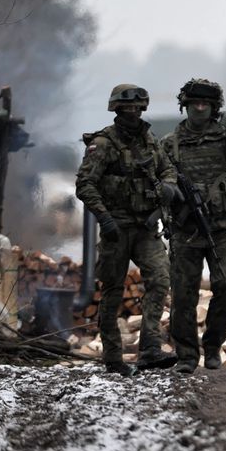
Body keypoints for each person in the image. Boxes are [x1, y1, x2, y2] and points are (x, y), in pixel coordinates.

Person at [75, 84, 180, 376]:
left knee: (160, 279)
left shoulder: (150, 140)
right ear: (117, 110)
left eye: (137, 108)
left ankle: (149, 348)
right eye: (127, 108)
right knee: (112, 291)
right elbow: (85, 184)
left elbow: (167, 169)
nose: (133, 113)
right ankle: (113, 358)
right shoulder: (104, 143)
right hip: (116, 228)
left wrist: (168, 187)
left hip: (146, 225)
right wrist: (105, 219)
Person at [160, 78, 226, 372]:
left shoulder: (224, 137)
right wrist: (171, 195)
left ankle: (213, 345)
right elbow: (160, 180)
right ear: (185, 106)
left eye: (206, 104)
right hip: (185, 229)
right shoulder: (169, 145)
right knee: (183, 291)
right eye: (194, 104)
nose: (200, 109)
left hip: (222, 226)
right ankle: (187, 354)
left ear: (213, 107)